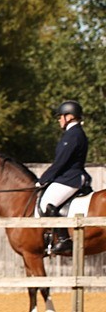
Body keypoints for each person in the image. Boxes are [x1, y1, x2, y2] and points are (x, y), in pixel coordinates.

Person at [37, 100, 90, 256]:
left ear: (70, 116)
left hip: (70, 178)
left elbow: (60, 162)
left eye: (61, 116)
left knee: (47, 202)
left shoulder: (73, 135)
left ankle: (63, 240)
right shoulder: (74, 133)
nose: (59, 119)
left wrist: (43, 179)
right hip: (70, 177)